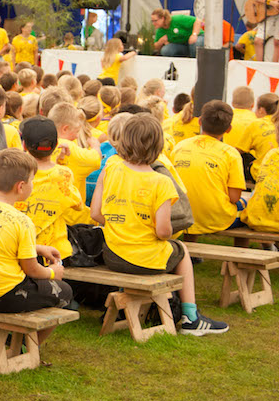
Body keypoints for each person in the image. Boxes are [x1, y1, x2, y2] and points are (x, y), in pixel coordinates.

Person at [91, 114, 227, 335]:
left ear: (123, 141)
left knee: (155, 250)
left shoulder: (110, 169)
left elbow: (96, 213)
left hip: (113, 255)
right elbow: (163, 232)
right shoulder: (162, 182)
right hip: (144, 259)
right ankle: (191, 317)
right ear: (158, 146)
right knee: (181, 250)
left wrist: (123, 223)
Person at [0, 149, 74, 319]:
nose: (33, 184)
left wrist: (37, 248)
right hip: (3, 295)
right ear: (20, 186)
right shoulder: (21, 221)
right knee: (65, 292)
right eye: (32, 180)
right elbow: (32, 269)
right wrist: (53, 272)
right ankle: (26, 336)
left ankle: (7, 334)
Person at [172, 101, 246, 237]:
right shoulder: (231, 154)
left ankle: (191, 243)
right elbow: (234, 198)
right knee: (246, 208)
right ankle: (243, 250)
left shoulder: (179, 147)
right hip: (216, 219)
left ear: (200, 121)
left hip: (181, 214)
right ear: (229, 129)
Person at [17, 117, 85, 261]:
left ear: (24, 145)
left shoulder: (15, 172)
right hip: (55, 254)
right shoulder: (63, 174)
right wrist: (62, 163)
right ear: (56, 145)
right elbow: (78, 205)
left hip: (22, 249)